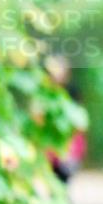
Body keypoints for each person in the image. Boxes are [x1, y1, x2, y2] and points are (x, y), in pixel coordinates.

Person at [44, 55, 87, 185]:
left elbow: (79, 123)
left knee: (62, 181)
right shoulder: (44, 92)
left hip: (68, 148)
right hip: (47, 148)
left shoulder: (72, 92)